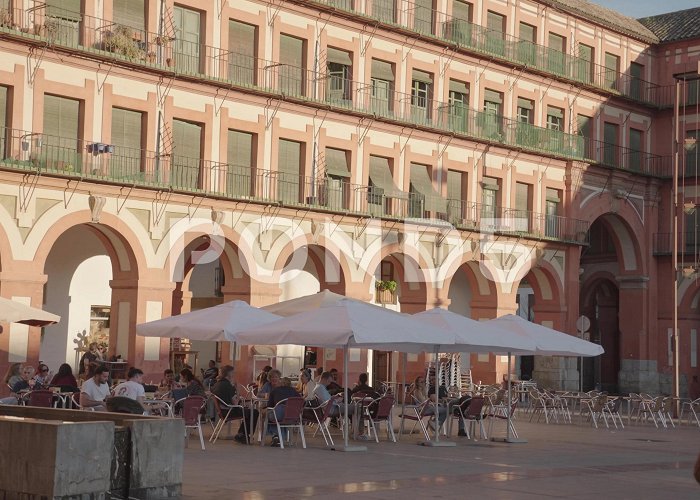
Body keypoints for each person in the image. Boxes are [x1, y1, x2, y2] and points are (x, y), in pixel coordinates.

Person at [211, 365, 258, 444]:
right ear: (229, 374)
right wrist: (237, 390)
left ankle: (241, 434)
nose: (234, 374)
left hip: (221, 411)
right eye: (233, 372)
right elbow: (235, 403)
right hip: (229, 411)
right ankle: (242, 435)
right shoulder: (227, 385)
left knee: (248, 411)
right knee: (254, 412)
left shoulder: (217, 384)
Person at [267, 377, 300, 447]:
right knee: (283, 418)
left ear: (281, 383)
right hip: (292, 416)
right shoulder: (294, 391)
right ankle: (280, 437)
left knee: (271, 415)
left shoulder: (275, 390)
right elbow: (301, 401)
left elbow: (270, 406)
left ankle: (276, 436)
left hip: (278, 414)